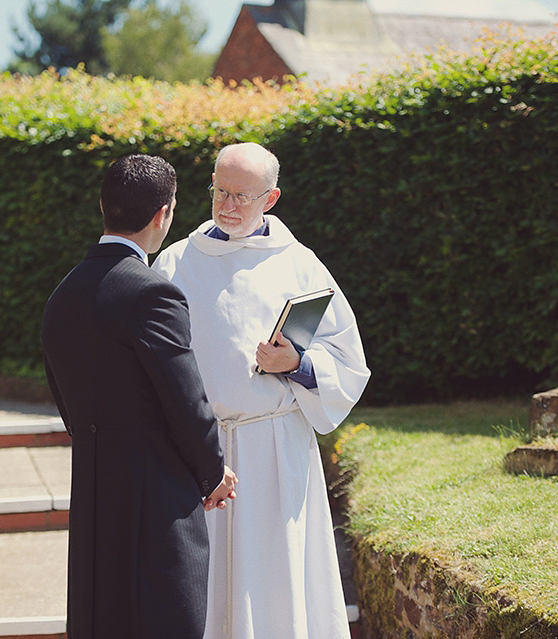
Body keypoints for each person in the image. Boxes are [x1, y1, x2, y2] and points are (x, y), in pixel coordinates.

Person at [152, 142, 370, 639]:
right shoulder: (175, 263)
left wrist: (297, 363)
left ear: (270, 199)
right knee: (200, 586)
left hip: (275, 451)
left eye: (242, 196)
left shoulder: (300, 265)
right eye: (220, 192)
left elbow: (349, 362)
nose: (228, 206)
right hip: (199, 451)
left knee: (276, 582)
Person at [41, 153, 238, 639]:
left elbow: (66, 402)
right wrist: (212, 472)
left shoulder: (62, 294)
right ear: (163, 215)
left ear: (102, 205)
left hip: (93, 494)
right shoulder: (153, 293)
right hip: (158, 504)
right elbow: (186, 401)